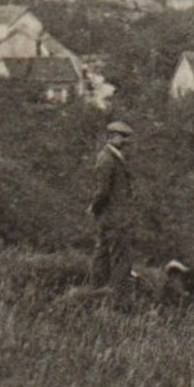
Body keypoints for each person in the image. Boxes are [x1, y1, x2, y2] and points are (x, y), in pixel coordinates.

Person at [87, 121, 136, 294]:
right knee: (119, 256)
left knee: (104, 253)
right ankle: (116, 294)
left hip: (111, 216)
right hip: (114, 217)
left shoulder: (113, 157)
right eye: (121, 137)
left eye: (125, 138)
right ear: (110, 137)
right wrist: (94, 207)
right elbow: (103, 191)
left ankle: (99, 291)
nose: (124, 142)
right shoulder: (107, 159)